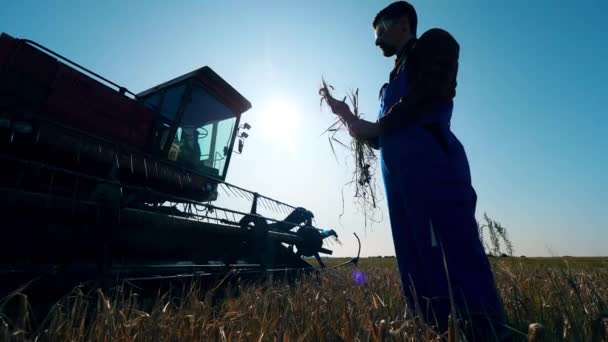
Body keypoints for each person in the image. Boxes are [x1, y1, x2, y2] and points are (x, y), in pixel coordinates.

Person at [324, 1, 509, 339]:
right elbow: (379, 137)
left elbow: (423, 96)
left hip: (432, 166)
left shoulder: (434, 44)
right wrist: (346, 116)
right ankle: (435, 327)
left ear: (403, 23)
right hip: (397, 179)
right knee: (414, 253)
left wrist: (376, 126)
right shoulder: (387, 85)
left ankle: (485, 329)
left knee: (454, 247)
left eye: (380, 31)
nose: (377, 41)